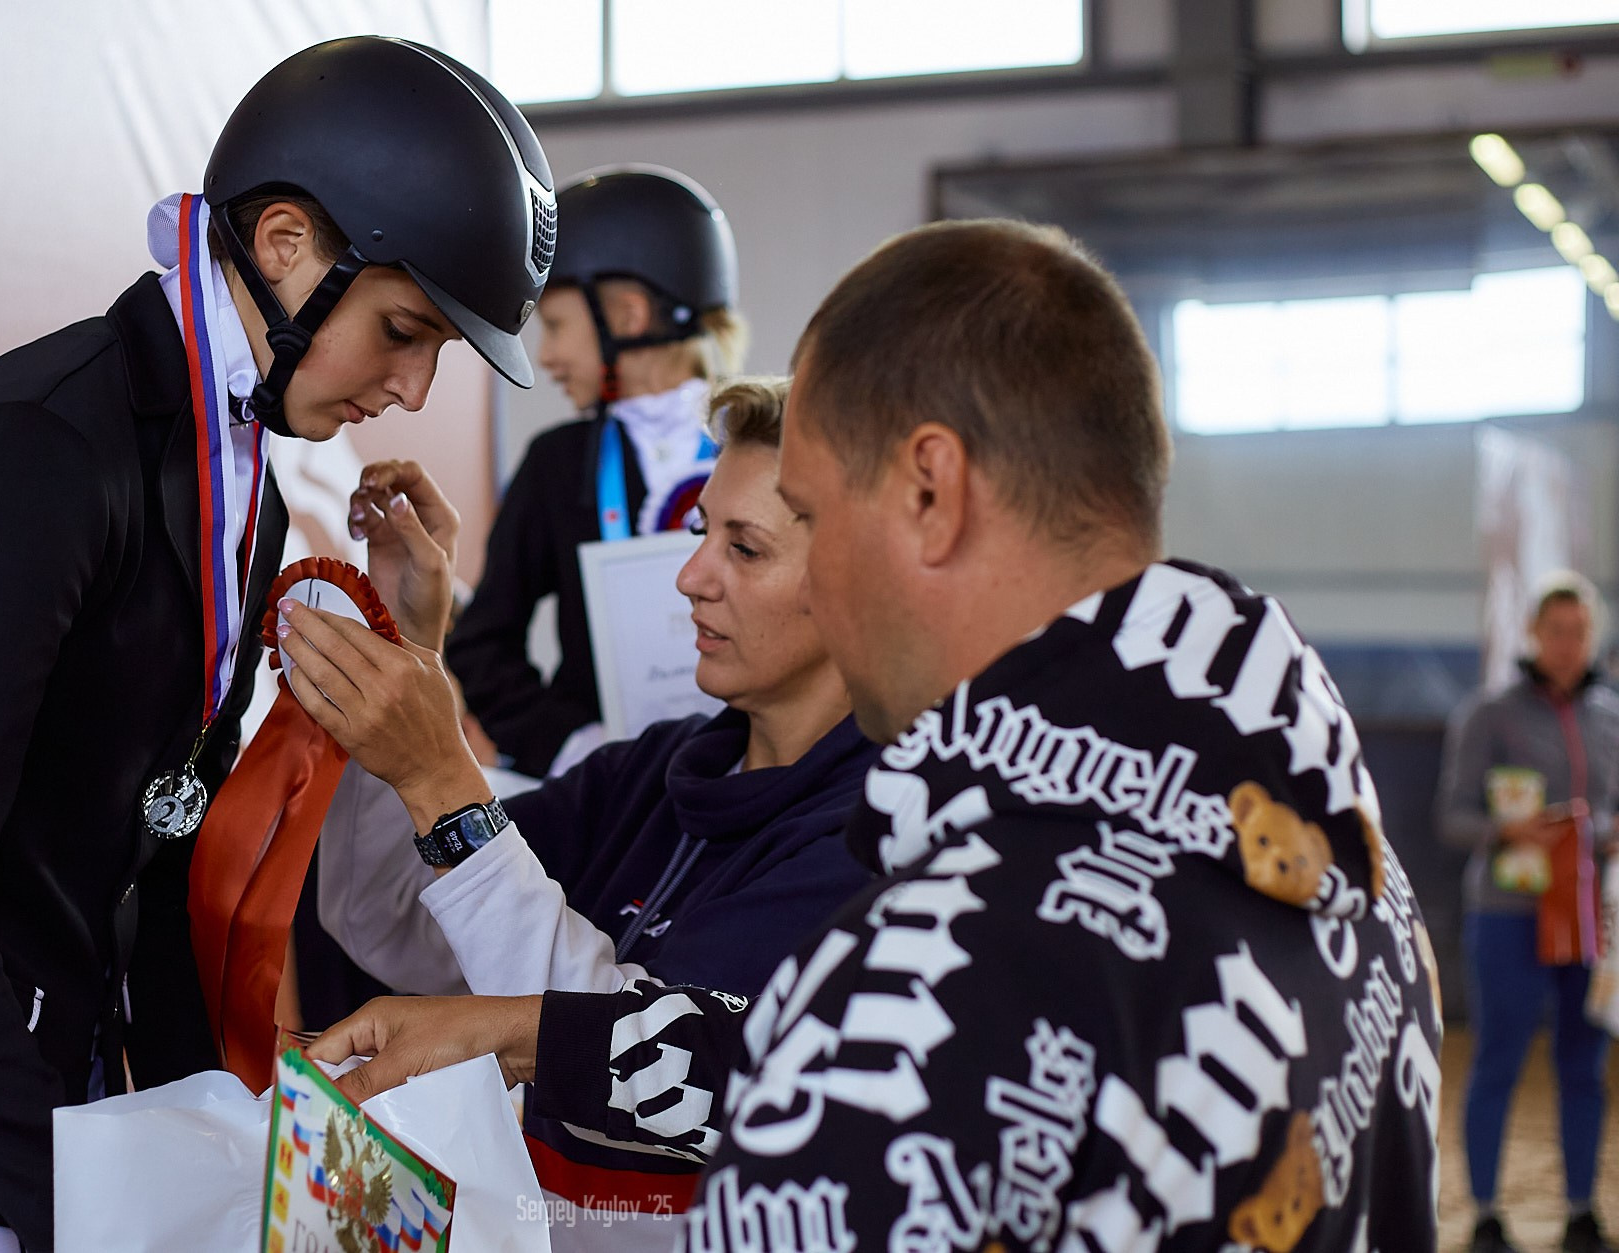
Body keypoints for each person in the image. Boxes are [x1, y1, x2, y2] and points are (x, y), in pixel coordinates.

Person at [308, 220, 1444, 1253]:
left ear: (929, 492)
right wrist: (532, 1033)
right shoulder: (1335, 848)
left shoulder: (923, 977)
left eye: (804, 517)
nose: (695, 582)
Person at [0, 35, 555, 1253]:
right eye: (403, 329)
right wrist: (86, 1206)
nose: (411, 390)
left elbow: (150, 849)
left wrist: (229, 1150)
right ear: (288, 245)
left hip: (22, 1102)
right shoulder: (35, 453)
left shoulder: (232, 470)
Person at [305, 378, 874, 1248]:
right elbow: (392, 918)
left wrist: (443, 778)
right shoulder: (655, 771)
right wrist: (408, 654)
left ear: (866, 583)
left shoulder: (875, 837)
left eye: (746, 549)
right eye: (700, 534)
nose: (690, 577)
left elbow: (651, 1064)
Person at [447, 166, 745, 777]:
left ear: (629, 314)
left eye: (555, 326)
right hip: (608, 785)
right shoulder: (557, 465)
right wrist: (571, 747)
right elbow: (482, 645)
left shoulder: (758, 448)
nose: (547, 356)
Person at [1438, 572, 1619, 1253]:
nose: (1568, 644)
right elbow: (1451, 818)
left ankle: (1580, 1210)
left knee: (1583, 1063)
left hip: (1585, 915)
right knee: (1497, 1061)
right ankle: (1485, 1213)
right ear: (1533, 634)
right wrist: (1505, 830)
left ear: (1592, 637)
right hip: (1508, 914)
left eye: (1580, 632)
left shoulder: (1611, 717)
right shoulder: (1488, 713)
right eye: (1556, 630)